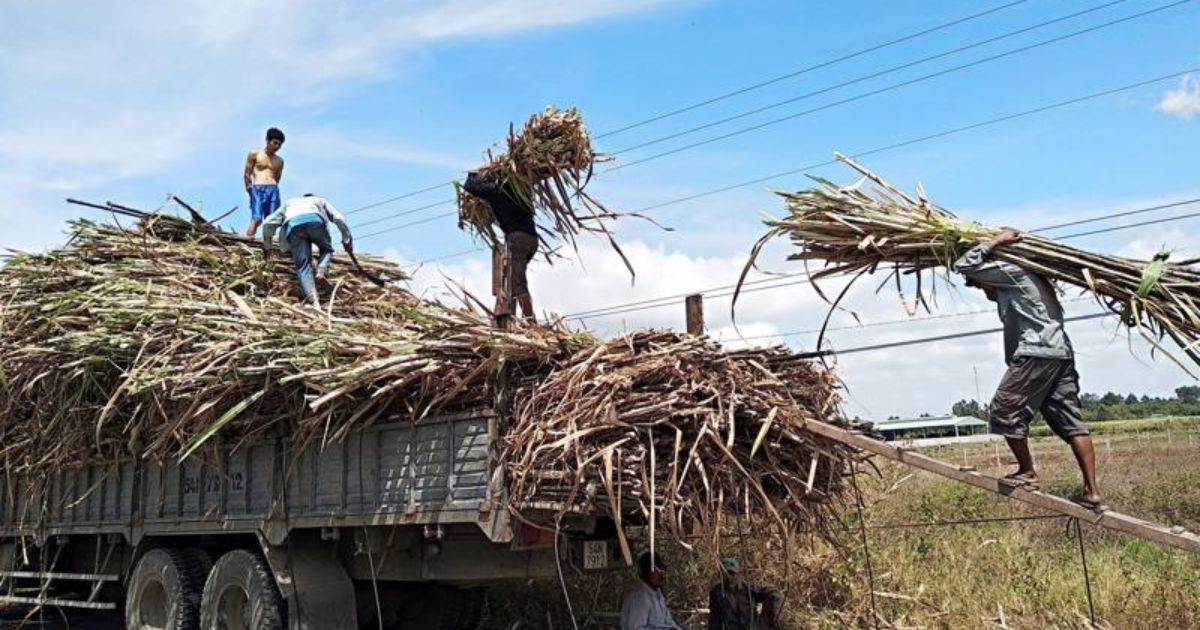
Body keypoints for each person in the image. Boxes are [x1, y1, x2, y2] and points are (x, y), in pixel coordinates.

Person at [953, 229, 1103, 510]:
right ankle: (1092, 491)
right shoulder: (1037, 281)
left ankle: (1027, 471)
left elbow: (963, 265)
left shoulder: (1013, 272)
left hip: (1037, 353)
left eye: (982, 283)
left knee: (1004, 410)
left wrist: (994, 242)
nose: (984, 288)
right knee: (1071, 422)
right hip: (1060, 355)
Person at [461, 169, 538, 324]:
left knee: (517, 283)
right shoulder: (521, 192)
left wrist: (473, 175)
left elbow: (470, 187)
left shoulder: (497, 190)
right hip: (532, 240)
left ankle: (531, 321)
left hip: (516, 240)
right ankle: (510, 317)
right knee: (511, 280)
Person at [262, 194, 352, 307]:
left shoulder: (290, 203)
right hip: (315, 222)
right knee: (326, 249)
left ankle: (314, 302)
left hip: (294, 226)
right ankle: (321, 272)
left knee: (303, 267)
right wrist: (347, 239)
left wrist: (268, 246)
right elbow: (339, 218)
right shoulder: (319, 200)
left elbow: (267, 223)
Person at [707, 558, 782, 630]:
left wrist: (772, 615)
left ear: (738, 574)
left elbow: (774, 593)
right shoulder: (717, 593)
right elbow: (714, 620)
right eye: (725, 574)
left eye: (732, 573)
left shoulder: (749, 588)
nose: (729, 578)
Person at [620, 551, 683, 630]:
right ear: (647, 572)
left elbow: (668, 621)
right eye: (657, 571)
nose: (661, 575)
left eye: (662, 571)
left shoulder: (657, 594)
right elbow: (635, 628)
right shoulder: (640, 598)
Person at [244, 127, 286, 237]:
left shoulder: (280, 161)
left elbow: (277, 178)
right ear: (267, 140)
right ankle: (248, 239)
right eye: (275, 143)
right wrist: (249, 189)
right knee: (256, 218)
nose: (277, 146)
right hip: (257, 188)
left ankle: (268, 246)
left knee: (271, 221)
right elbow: (247, 173)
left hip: (273, 190)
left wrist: (273, 189)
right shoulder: (255, 154)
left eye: (279, 145)